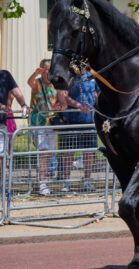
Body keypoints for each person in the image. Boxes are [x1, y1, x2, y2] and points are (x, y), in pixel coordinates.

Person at [56, 69, 99, 193]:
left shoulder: (92, 76)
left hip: (89, 121)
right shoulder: (70, 77)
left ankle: (87, 181)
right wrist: (79, 106)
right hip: (72, 120)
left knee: (89, 152)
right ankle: (66, 182)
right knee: (69, 153)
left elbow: (98, 92)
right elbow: (64, 96)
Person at [28, 59, 64, 195]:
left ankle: (43, 181)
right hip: (38, 123)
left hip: (51, 123)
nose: (48, 72)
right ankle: (42, 183)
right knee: (43, 151)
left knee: (48, 153)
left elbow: (63, 102)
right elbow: (29, 83)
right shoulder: (37, 82)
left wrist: (60, 106)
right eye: (46, 69)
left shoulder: (55, 85)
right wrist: (34, 73)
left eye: (50, 69)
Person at [1, 69, 30, 159]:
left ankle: (2, 173)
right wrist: (2, 106)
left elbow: (16, 91)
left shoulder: (5, 75)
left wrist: (24, 105)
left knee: (2, 154)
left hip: (1, 123)